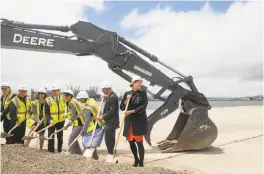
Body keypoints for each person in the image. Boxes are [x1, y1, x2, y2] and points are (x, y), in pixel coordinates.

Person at [120, 76, 148, 167]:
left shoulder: (143, 94)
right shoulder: (127, 93)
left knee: (139, 142)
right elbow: (121, 107)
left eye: (141, 82)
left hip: (139, 121)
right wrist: (125, 101)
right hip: (129, 122)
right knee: (131, 142)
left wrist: (131, 112)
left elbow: (143, 107)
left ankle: (141, 162)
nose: (140, 84)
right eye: (138, 82)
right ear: (134, 83)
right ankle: (136, 159)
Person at [76, 91, 105, 160]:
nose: (78, 100)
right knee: (92, 144)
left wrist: (83, 131)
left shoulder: (88, 108)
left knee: (88, 143)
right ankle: (95, 158)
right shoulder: (91, 100)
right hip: (98, 124)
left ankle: (94, 158)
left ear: (83, 98)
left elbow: (87, 121)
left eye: (79, 99)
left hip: (94, 126)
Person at [96, 81, 119, 162]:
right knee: (108, 139)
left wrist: (102, 116)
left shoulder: (113, 97)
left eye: (103, 89)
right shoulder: (110, 96)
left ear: (108, 88)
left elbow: (112, 111)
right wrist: (104, 98)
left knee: (109, 139)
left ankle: (110, 155)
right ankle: (110, 154)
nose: (102, 91)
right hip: (109, 122)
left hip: (111, 122)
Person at [45, 85, 66, 153]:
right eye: (53, 91)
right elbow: (46, 112)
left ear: (59, 91)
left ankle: (59, 151)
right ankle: (51, 151)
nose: (54, 92)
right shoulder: (48, 100)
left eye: (55, 90)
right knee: (51, 136)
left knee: (60, 137)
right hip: (52, 122)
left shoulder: (63, 98)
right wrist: (50, 120)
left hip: (61, 121)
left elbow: (68, 107)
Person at [63, 89, 84, 155]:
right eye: (65, 95)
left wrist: (67, 125)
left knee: (71, 138)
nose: (66, 97)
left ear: (71, 96)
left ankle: (70, 153)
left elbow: (73, 116)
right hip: (79, 123)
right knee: (75, 139)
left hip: (79, 124)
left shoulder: (72, 103)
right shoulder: (75, 101)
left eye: (67, 95)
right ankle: (79, 154)